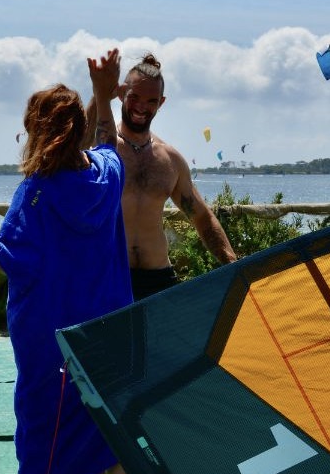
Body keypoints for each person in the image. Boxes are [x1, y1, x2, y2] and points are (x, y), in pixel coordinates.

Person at [0, 49, 132, 474]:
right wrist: (103, 94)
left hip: (53, 350)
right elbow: (108, 141)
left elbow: (11, 261)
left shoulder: (36, 193)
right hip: (111, 339)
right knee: (111, 443)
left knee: (45, 455)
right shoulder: (107, 176)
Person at [100, 53, 237, 300]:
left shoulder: (170, 161)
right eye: (134, 97)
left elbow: (203, 218)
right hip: (110, 276)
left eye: (151, 100)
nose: (142, 107)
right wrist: (99, 93)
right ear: (121, 95)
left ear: (161, 103)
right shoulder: (102, 152)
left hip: (159, 279)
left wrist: (231, 262)